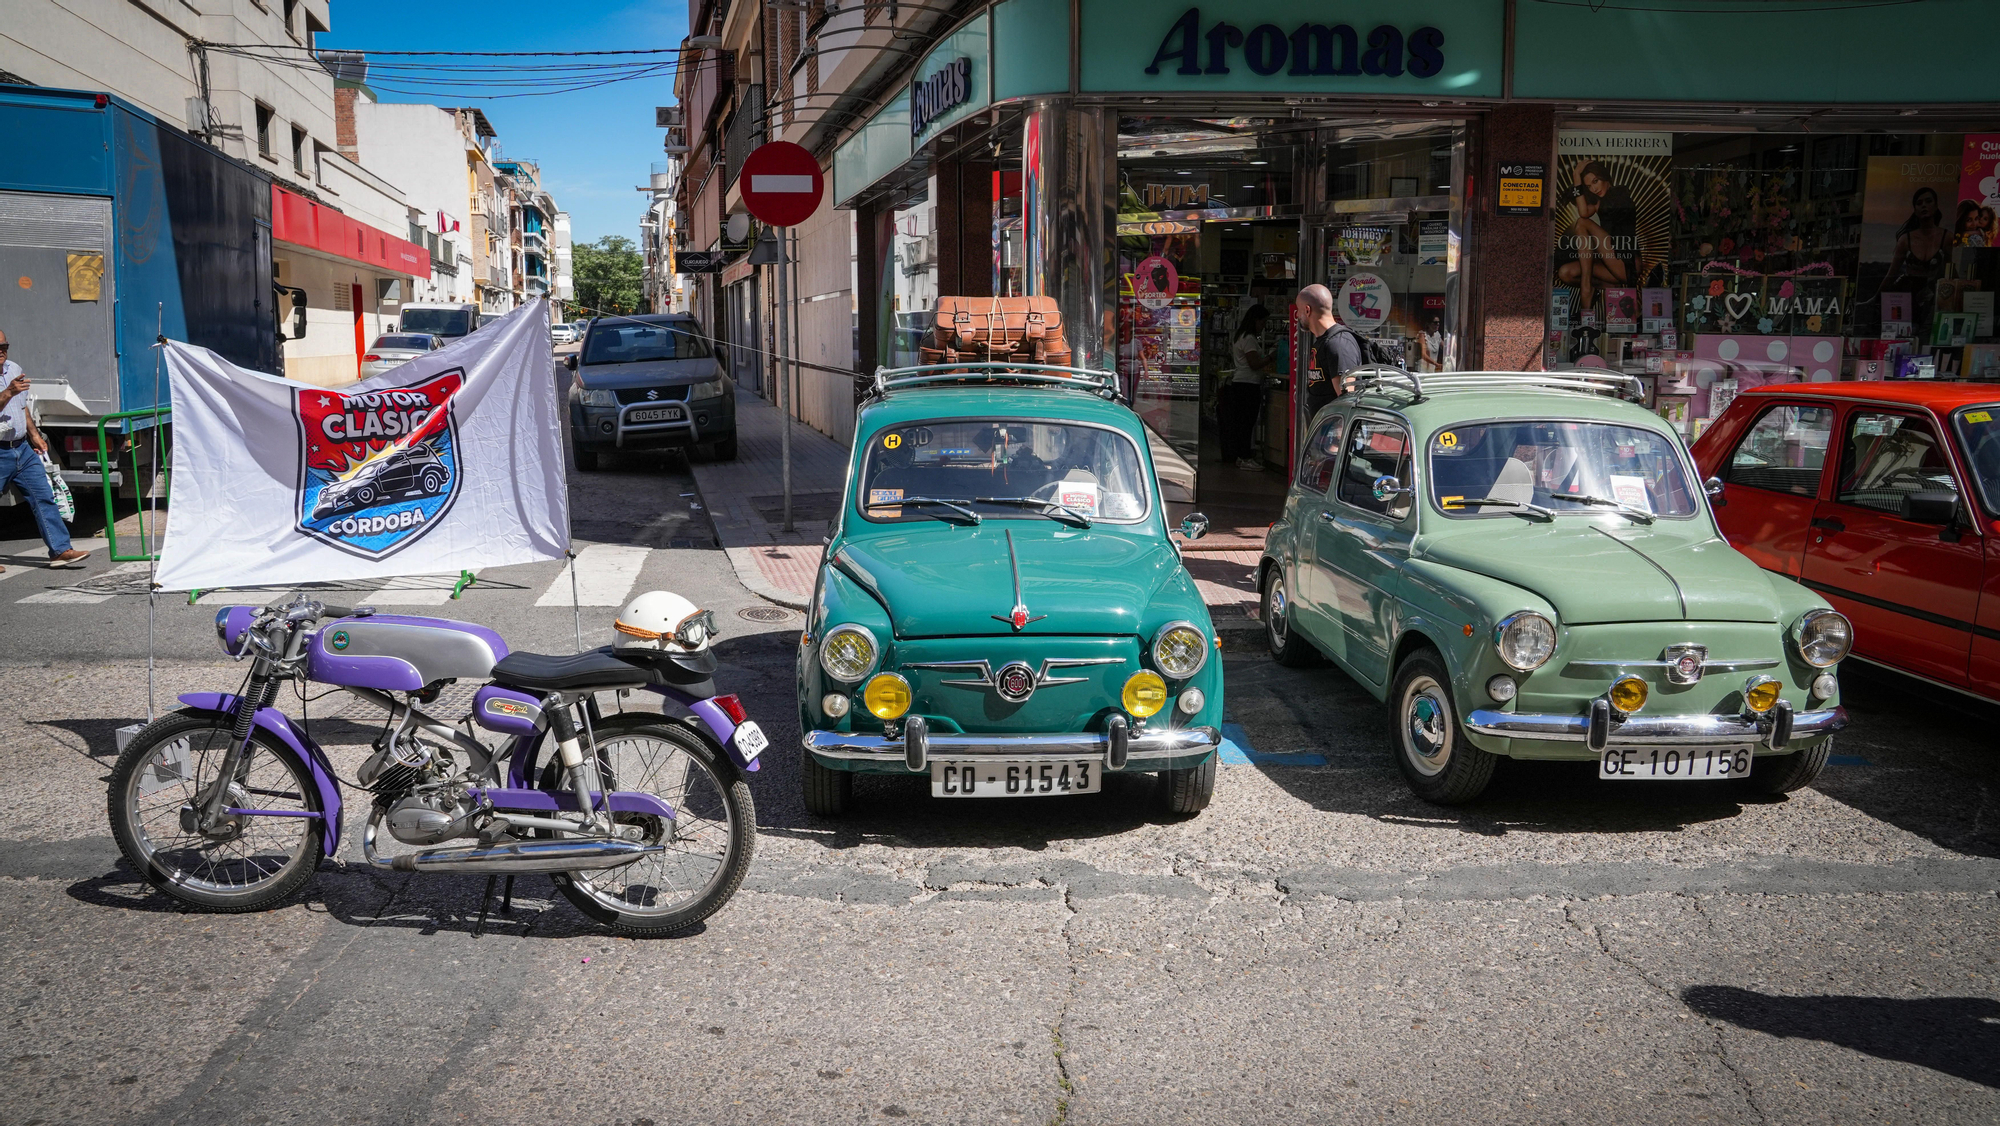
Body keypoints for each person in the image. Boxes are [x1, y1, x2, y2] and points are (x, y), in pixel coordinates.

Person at [0, 330, 90, 571]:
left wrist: (34, 435)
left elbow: (22, 407)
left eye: (4, 345)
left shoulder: (13, 368)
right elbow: (11, 397)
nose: (1, 350)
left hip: (21, 448)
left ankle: (60, 550)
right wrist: (8, 392)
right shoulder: (10, 383)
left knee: (43, 497)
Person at [1554, 160, 1639, 313]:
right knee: (1565, 273)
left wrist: (1577, 178)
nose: (1594, 188)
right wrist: (1576, 178)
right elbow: (1584, 211)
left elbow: (1583, 215)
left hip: (1627, 263)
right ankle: (1607, 287)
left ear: (1605, 177)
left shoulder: (1620, 194)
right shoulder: (1600, 201)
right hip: (1612, 265)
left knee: (1582, 223)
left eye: (1596, 181)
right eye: (1589, 186)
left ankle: (1586, 289)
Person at [1295, 284, 1362, 421]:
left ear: (1307, 310)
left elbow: (1346, 401)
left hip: (1333, 436)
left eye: (1299, 310)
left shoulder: (1338, 343)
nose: (1297, 315)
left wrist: (1334, 440)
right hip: (1322, 433)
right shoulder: (1324, 341)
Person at [1220, 304, 1275, 470]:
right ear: (1256, 320)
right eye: (1263, 322)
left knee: (1241, 422)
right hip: (1248, 385)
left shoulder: (1240, 336)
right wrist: (1271, 357)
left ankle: (1239, 455)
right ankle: (1244, 457)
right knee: (1246, 422)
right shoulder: (1249, 339)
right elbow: (1254, 364)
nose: (1264, 326)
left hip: (1240, 383)